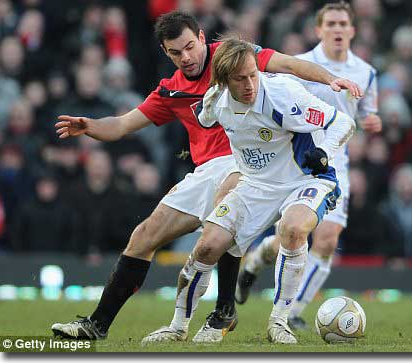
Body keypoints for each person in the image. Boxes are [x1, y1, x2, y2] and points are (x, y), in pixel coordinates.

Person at [50, 10, 362, 341]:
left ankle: (224, 308)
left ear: (201, 38)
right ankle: (96, 325)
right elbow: (125, 123)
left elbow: (286, 64)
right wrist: (90, 126)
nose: (185, 58)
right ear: (165, 53)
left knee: (226, 202)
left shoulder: (233, 61)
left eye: (189, 47)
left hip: (244, 163)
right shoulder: (170, 91)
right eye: (175, 52)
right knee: (144, 236)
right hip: (204, 170)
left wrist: (329, 79)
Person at [140, 38, 355, 345]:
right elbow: (201, 119)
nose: (250, 84)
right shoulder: (216, 101)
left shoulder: (283, 95)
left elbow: (343, 122)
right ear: (224, 80)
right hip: (255, 184)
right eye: (240, 79)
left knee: (293, 230)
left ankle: (279, 321)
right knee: (206, 246)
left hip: (304, 178)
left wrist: (323, 152)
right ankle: (177, 327)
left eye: (253, 74)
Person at [234, 1, 382, 331]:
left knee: (327, 239)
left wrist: (373, 120)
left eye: (343, 23)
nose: (338, 29)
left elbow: (365, 112)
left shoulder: (367, 72)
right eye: (331, 23)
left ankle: (294, 312)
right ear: (319, 30)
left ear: (353, 30)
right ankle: (260, 258)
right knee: (295, 231)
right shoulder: (300, 65)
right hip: (296, 158)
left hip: (337, 160)